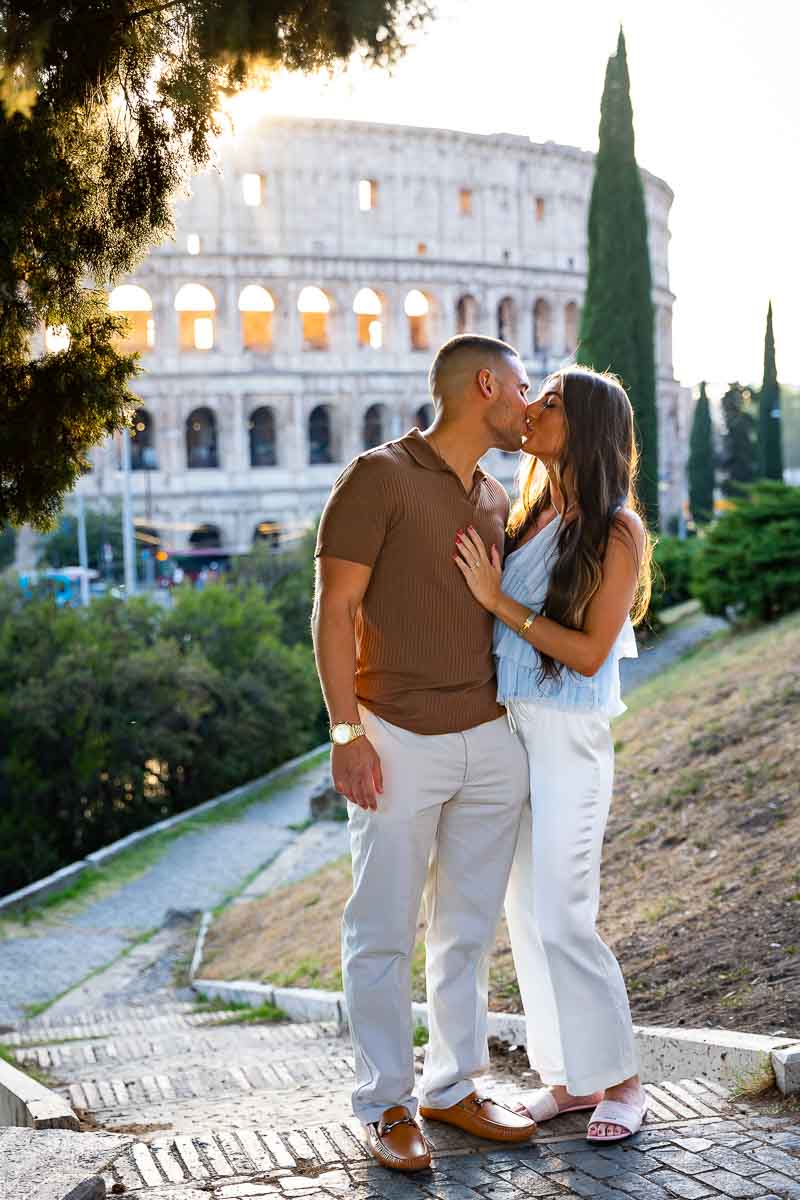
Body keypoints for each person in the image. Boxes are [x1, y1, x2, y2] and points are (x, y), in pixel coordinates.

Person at [312, 335, 537, 1172]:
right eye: (521, 386)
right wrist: (346, 733)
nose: (529, 400)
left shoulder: (494, 493)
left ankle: (451, 1088)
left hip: (489, 738)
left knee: (466, 932)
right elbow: (335, 611)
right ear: (485, 385)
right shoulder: (378, 477)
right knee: (380, 932)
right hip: (395, 737)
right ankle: (385, 1105)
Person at [453, 366, 653, 1144]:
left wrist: (497, 600)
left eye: (551, 403)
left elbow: (590, 651)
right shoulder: (531, 510)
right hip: (511, 733)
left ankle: (626, 1081)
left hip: (568, 741)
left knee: (567, 914)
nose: (530, 409)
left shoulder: (616, 529)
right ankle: (568, 1078)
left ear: (588, 428)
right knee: (527, 914)